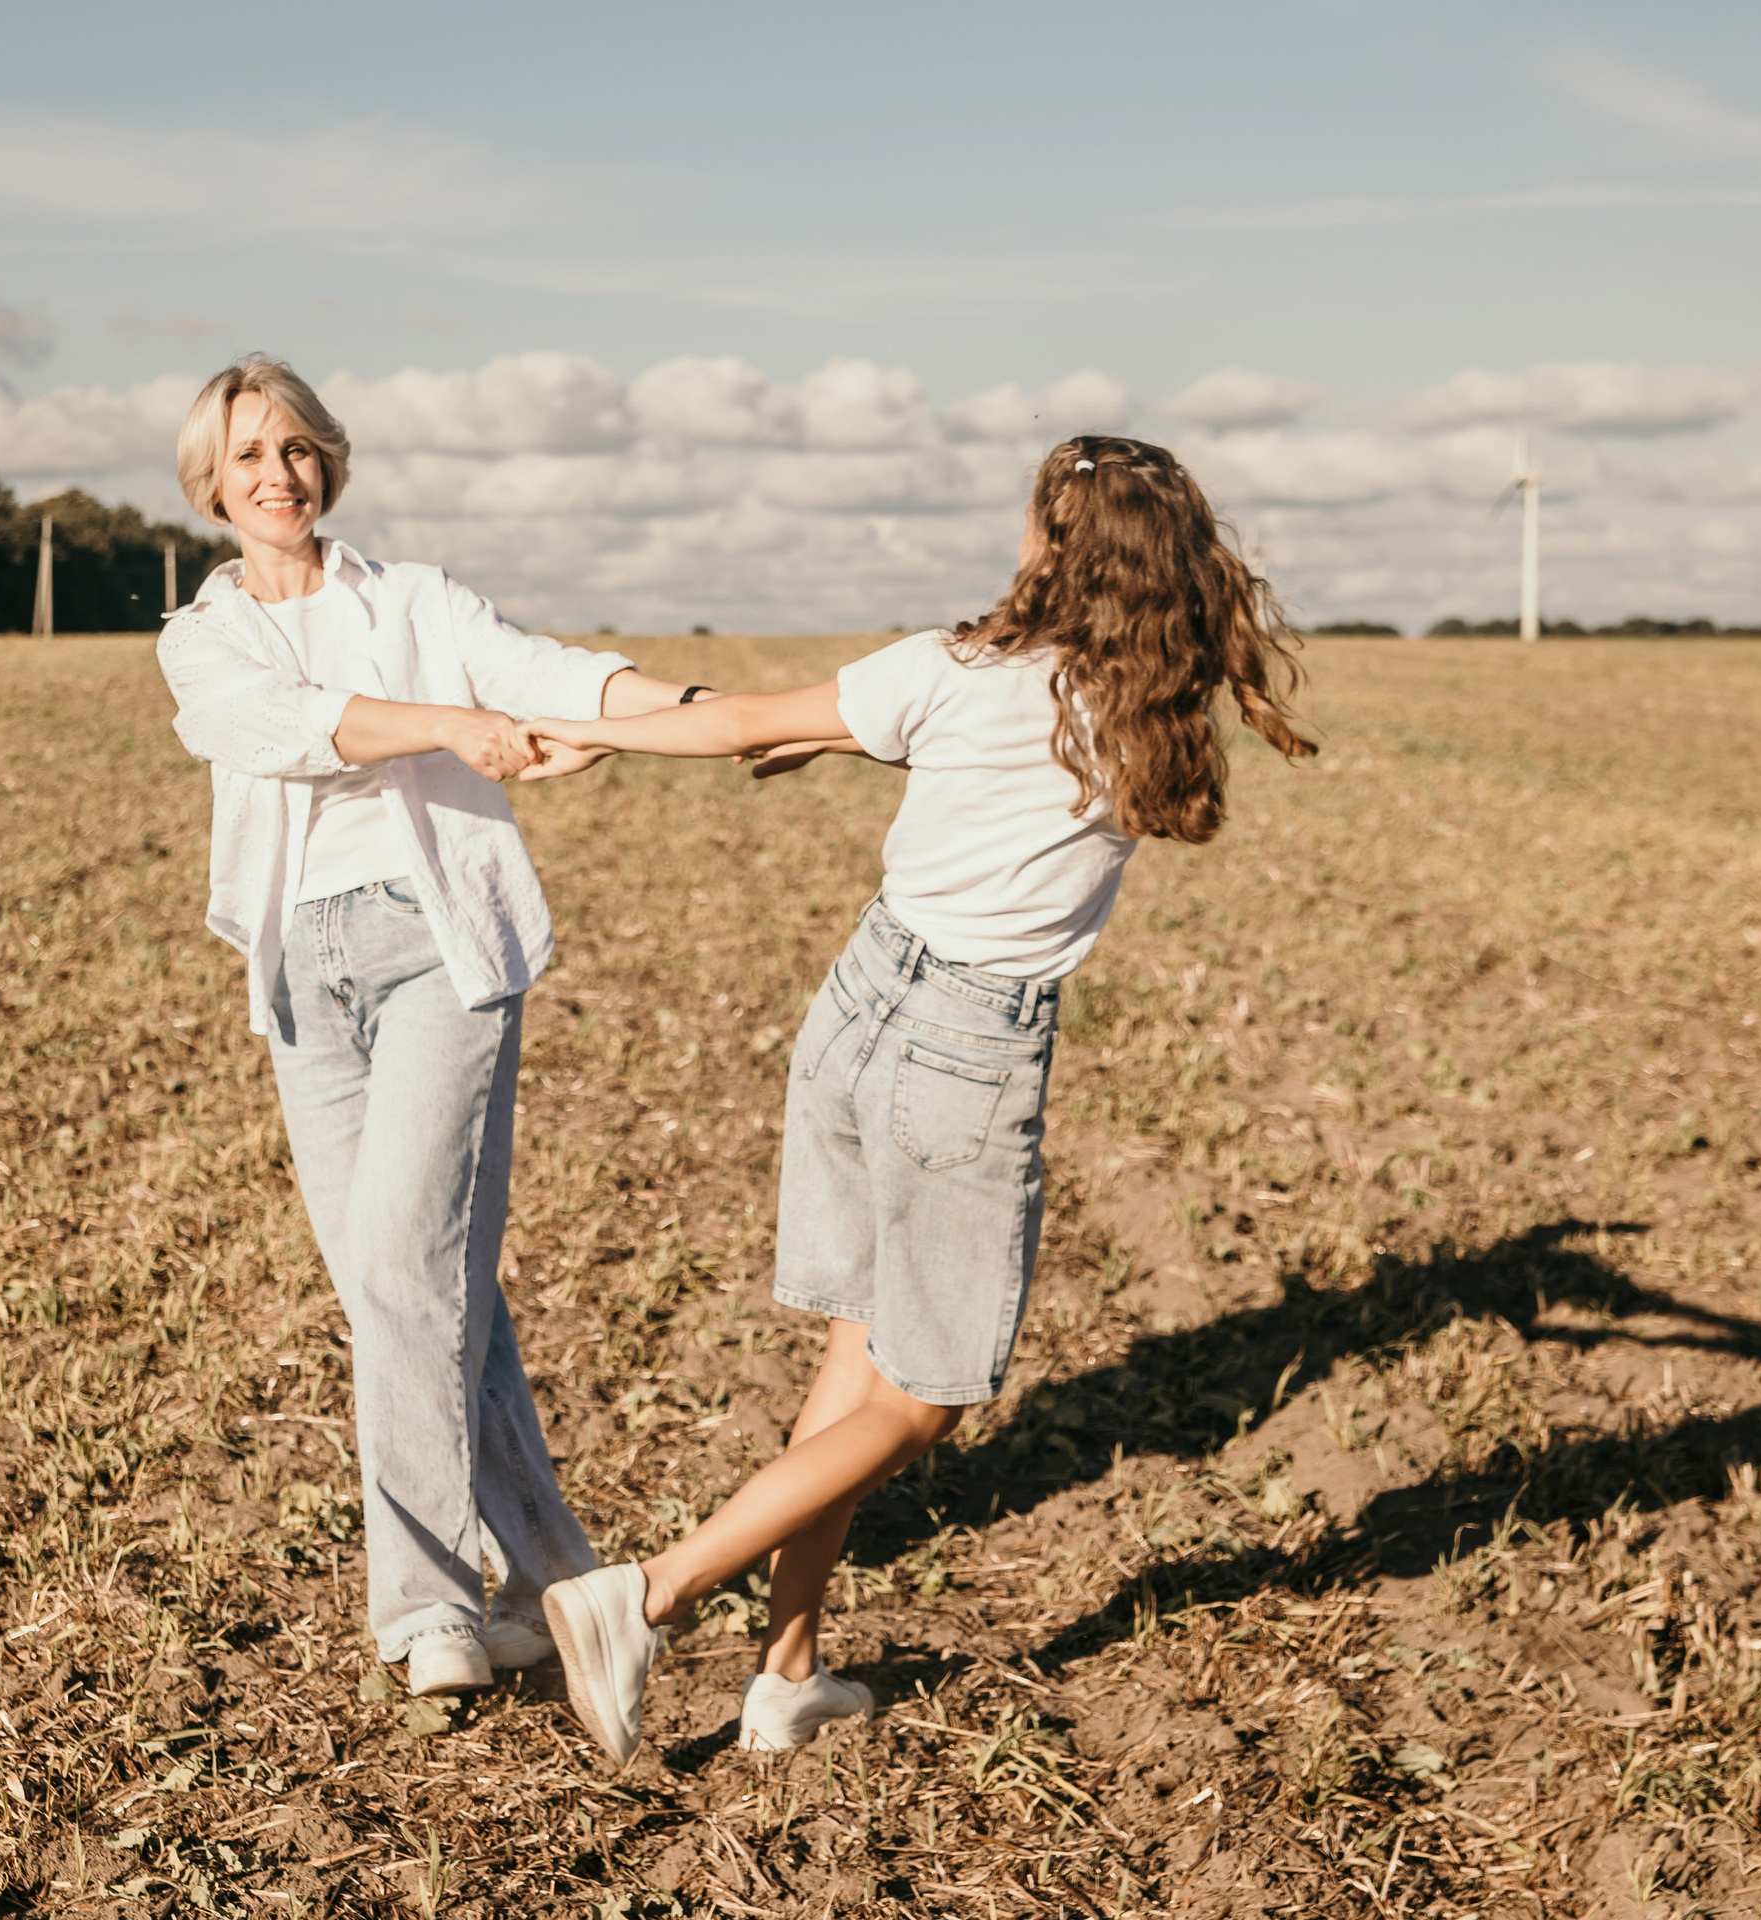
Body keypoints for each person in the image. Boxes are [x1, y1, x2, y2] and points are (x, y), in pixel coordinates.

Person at [518, 435, 1318, 1762]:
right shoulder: (1147, 715)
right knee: (923, 1397)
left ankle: (787, 1675)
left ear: (1056, 552)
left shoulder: (946, 672)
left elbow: (732, 726)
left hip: (860, 1009)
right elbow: (1063, 787)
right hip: (965, 1048)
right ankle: (646, 1595)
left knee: (857, 1355)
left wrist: (579, 734)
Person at [155, 354, 704, 1698]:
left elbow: (546, 674)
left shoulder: (415, 602)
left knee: (404, 1273)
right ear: (211, 487)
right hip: (301, 972)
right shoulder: (202, 635)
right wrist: (457, 728)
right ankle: (570, 1587)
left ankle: (427, 1613)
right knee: (414, 1292)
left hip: (437, 950)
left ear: (327, 460)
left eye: (292, 448)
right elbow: (281, 727)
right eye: (245, 458)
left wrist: (702, 715)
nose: (274, 474)